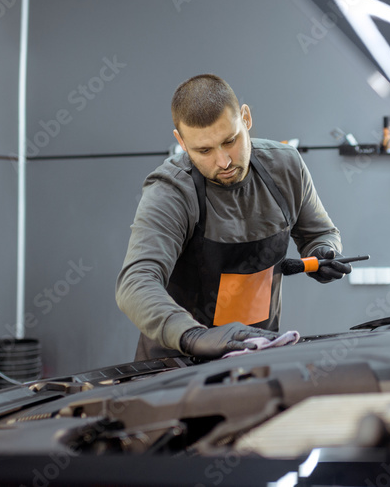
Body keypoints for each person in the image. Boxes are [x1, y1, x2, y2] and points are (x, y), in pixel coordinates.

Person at [117, 74, 349, 360]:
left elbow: (320, 233)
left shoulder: (286, 166)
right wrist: (194, 335)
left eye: (230, 140)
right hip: (176, 363)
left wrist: (323, 253)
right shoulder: (172, 191)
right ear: (181, 141)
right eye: (204, 150)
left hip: (257, 352)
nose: (223, 161)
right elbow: (136, 282)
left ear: (246, 118)